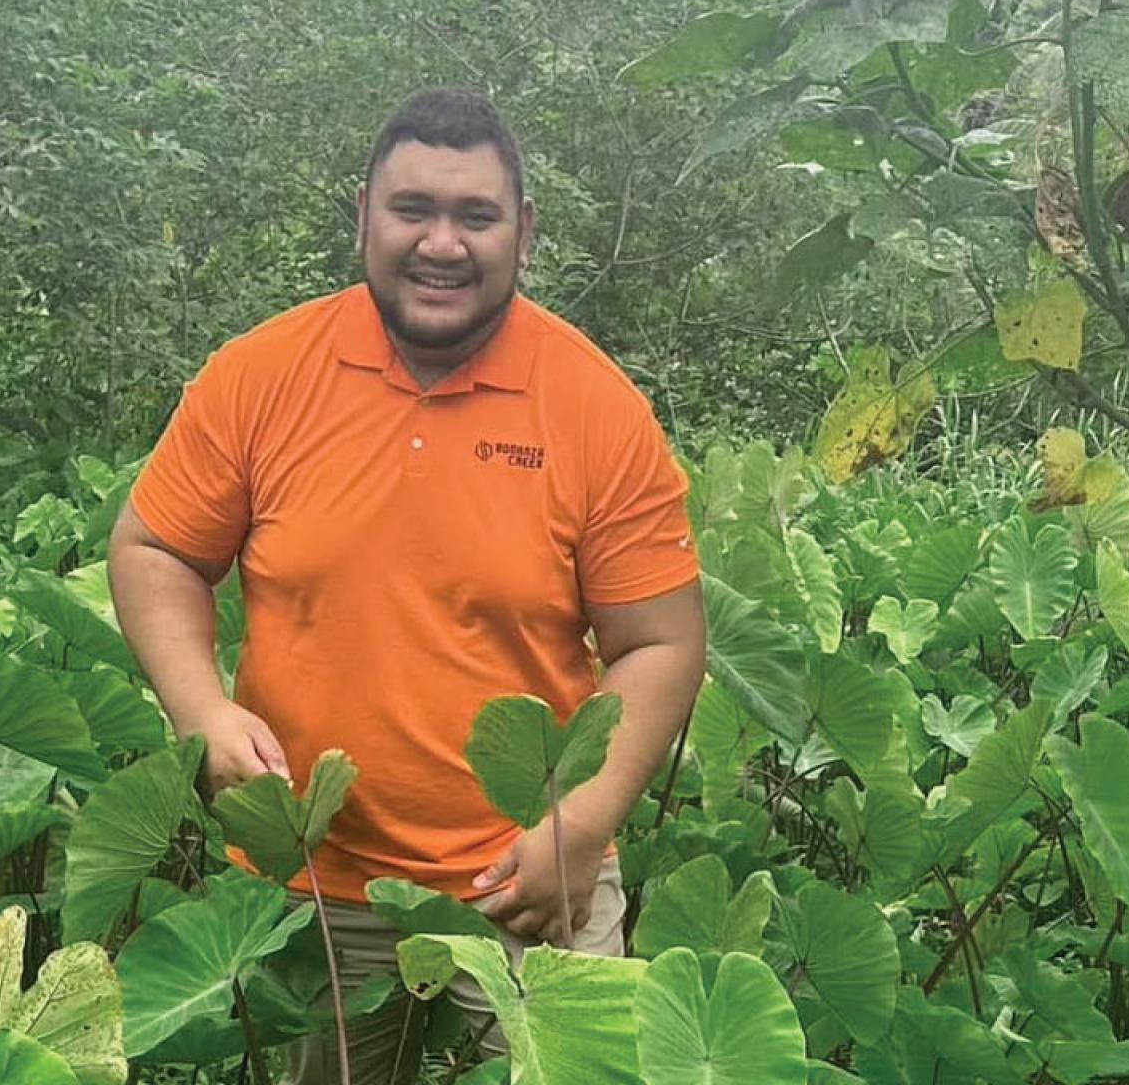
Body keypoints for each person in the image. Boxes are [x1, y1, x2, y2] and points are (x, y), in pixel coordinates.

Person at [107, 87, 706, 1083]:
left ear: (525, 231)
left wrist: (584, 821)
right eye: (412, 209)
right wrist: (201, 708)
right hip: (312, 877)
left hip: (527, 880)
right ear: (362, 216)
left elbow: (661, 641)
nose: (441, 242)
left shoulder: (596, 407)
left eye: (475, 215)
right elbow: (155, 547)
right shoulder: (263, 374)